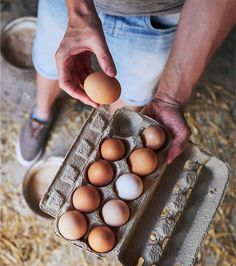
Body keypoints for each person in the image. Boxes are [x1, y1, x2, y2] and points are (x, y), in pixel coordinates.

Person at [16, 0, 235, 166]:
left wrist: (171, 99)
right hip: (67, 4)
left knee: (128, 98)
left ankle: (107, 145)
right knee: (52, 63)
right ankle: (40, 115)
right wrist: (79, 10)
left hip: (159, 16)